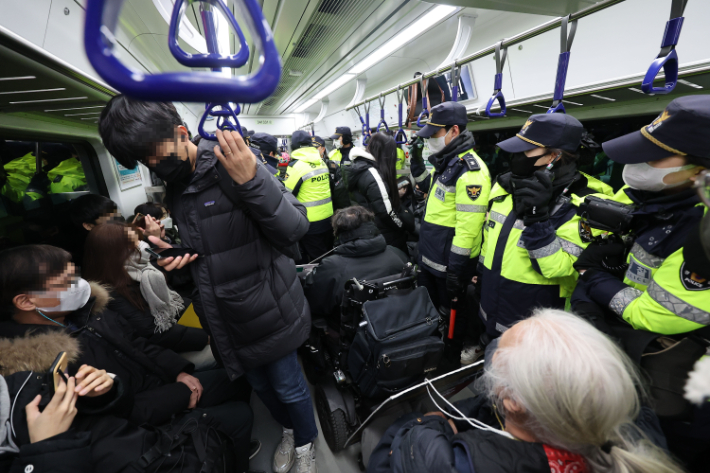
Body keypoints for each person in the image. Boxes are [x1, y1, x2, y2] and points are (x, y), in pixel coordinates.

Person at [98, 95, 318, 473]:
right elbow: (211, 250)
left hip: (268, 309)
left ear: (183, 133)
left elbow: (296, 229)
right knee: (262, 389)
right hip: (224, 317)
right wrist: (180, 261)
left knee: (288, 386)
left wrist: (252, 180)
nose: (156, 167)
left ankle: (304, 443)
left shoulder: (233, 162)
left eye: (158, 157)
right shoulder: (179, 185)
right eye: (146, 164)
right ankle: (287, 428)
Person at [0, 244, 258, 472]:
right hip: (148, 422)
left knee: (237, 379)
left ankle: (229, 447)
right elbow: (112, 421)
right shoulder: (39, 367)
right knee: (239, 415)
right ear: (25, 301)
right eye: (65, 282)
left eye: (75, 275)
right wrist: (179, 395)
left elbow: (138, 344)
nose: (79, 285)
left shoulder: (88, 312)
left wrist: (178, 370)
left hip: (162, 385)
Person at [570, 96, 709, 472]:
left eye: (654, 157)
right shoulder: (658, 200)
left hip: (685, 384)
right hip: (639, 360)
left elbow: (663, 313)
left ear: (700, 169)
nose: (636, 166)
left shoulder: (702, 230)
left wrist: (595, 281)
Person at [368, 309, 682, 473]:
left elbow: (388, 459)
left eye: (498, 355)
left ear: (512, 402)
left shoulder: (454, 462)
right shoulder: (634, 429)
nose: (493, 350)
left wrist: (432, 422)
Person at [479, 112, 613, 345]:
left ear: (553, 156)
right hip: (493, 298)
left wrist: (538, 219)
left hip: (537, 318)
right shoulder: (505, 185)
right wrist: (480, 271)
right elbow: (490, 235)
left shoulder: (588, 203)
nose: (516, 156)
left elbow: (557, 268)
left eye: (526, 151)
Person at [414, 101, 491, 364]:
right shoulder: (447, 164)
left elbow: (468, 229)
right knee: (433, 314)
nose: (429, 141)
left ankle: (449, 362)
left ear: (454, 131)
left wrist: (457, 271)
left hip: (450, 266)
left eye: (434, 134)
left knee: (452, 321)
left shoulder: (471, 171)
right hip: (431, 260)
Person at [82, 221, 215, 369]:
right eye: (133, 245)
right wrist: (206, 337)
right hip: (164, 354)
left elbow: (175, 302)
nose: (142, 246)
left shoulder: (141, 271)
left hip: (180, 335)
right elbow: (154, 333)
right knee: (225, 351)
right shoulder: (110, 294)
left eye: (139, 239)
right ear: (112, 254)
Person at [304, 206, 408, 318]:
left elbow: (315, 304)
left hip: (353, 330)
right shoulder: (397, 254)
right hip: (399, 320)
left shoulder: (332, 266)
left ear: (338, 233)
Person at [347, 133, 415, 253]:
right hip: (383, 231)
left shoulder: (360, 165)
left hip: (366, 226)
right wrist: (402, 226)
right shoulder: (373, 173)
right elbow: (386, 212)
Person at [283, 130, 335, 263]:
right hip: (328, 217)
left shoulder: (296, 167)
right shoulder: (322, 162)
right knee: (328, 253)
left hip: (310, 222)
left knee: (316, 260)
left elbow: (286, 195)